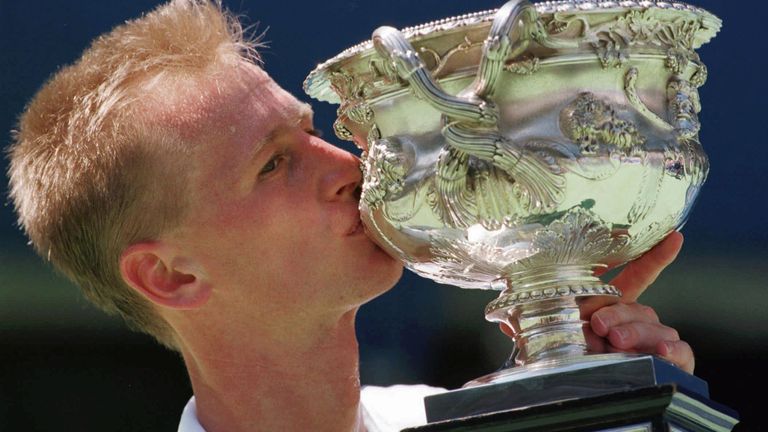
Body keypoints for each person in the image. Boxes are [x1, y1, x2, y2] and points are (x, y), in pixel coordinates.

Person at [7, 1, 693, 431]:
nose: (348, 167)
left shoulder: (466, 420)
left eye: (313, 132)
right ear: (170, 275)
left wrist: (588, 393)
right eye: (274, 164)